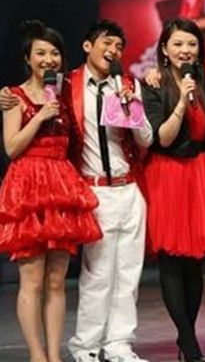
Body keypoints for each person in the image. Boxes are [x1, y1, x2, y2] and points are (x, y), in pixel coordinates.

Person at [2, 20, 154, 362]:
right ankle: (86, 346)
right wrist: (8, 98)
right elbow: (26, 105)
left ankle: (119, 345)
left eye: (119, 46)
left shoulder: (128, 84)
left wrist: (134, 109)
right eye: (107, 43)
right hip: (88, 189)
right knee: (96, 274)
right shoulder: (66, 84)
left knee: (128, 274)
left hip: (129, 187)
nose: (113, 51)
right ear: (88, 46)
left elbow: (146, 140)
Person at [0, 20, 102, 362]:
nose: (48, 59)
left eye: (54, 53)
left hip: (60, 184)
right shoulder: (13, 96)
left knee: (57, 281)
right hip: (28, 187)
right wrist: (40, 115)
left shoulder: (65, 92)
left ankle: (55, 356)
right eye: (40, 53)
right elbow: (12, 147)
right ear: (27, 58)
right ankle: (37, 355)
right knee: (31, 280)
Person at [143, 17, 205, 362]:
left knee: (195, 261)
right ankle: (189, 343)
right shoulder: (154, 83)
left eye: (191, 44)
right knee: (172, 260)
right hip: (167, 173)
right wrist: (181, 101)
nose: (185, 50)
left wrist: (195, 93)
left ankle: (186, 339)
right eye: (177, 44)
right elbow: (161, 138)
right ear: (164, 49)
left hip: (199, 172)